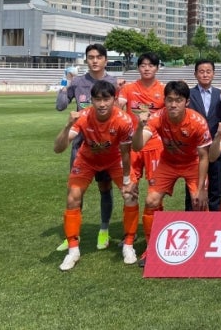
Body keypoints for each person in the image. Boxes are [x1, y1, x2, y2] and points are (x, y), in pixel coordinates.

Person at [53, 80, 139, 271]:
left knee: (130, 195)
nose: (102, 104)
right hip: (87, 159)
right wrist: (67, 126)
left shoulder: (123, 120)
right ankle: (73, 251)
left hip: (114, 159)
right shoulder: (83, 116)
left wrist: (126, 181)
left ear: (114, 99)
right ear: (91, 100)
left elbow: (126, 153)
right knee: (72, 197)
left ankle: (128, 245)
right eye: (97, 99)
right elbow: (58, 148)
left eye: (106, 99)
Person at [134, 80, 212, 267]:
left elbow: (203, 157)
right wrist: (139, 126)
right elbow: (137, 146)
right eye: (169, 100)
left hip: (192, 163)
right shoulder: (157, 117)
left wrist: (201, 189)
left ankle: (203, 246)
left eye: (178, 100)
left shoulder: (198, 122)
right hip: (168, 163)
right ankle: (152, 247)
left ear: (186, 102)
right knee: (151, 201)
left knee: (198, 200)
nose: (173, 104)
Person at [55, 43, 118, 252]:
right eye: (90, 57)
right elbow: (60, 105)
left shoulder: (113, 82)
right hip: (81, 146)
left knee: (105, 188)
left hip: (105, 147)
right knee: (76, 192)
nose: (94, 60)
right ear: (86, 60)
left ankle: (104, 229)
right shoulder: (79, 82)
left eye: (99, 57)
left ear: (105, 60)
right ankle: (73, 235)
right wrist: (66, 82)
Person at [117, 52, 165, 199]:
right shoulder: (128, 88)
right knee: (129, 192)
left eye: (151, 65)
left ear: (157, 68)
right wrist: (117, 90)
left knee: (155, 193)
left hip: (155, 146)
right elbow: (116, 110)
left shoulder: (164, 90)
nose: (146, 69)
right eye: (143, 65)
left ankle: (153, 222)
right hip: (132, 145)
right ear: (138, 68)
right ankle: (130, 222)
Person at [188, 59, 221, 211]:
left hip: (215, 147)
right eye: (201, 71)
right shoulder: (189, 94)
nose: (205, 74)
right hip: (195, 149)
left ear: (213, 74)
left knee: (215, 189)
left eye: (208, 71)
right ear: (195, 74)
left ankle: (213, 224)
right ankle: (191, 220)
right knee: (193, 188)